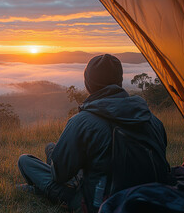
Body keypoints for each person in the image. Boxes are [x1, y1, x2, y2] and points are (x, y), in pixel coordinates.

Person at [17, 54, 170, 212]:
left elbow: (59, 176)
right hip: (152, 197)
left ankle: (41, 191)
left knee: (25, 161)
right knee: (51, 148)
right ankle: (43, 182)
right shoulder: (152, 119)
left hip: (100, 204)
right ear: (119, 81)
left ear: (88, 84)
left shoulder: (82, 121)